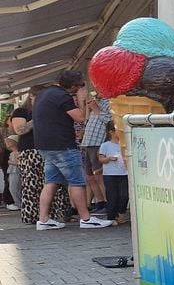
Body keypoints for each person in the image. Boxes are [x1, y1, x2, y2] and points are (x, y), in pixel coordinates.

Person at [32, 70, 113, 230]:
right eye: (81, 85)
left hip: (45, 145)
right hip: (63, 145)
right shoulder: (63, 96)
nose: (81, 88)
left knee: (51, 181)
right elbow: (80, 118)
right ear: (73, 86)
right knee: (77, 181)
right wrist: (82, 101)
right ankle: (86, 218)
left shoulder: (44, 93)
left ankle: (43, 220)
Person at [9, 90, 72, 225]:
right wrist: (38, 117)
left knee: (54, 182)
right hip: (30, 151)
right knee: (32, 184)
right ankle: (34, 215)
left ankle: (57, 214)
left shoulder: (50, 110)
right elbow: (20, 130)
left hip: (49, 148)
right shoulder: (22, 111)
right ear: (31, 96)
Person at [79, 92, 111, 215]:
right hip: (88, 141)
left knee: (98, 174)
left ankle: (107, 202)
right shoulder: (96, 102)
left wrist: (96, 109)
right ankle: (100, 201)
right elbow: (88, 120)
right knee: (89, 176)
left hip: (99, 141)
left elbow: (110, 121)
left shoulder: (109, 102)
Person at [97, 123, 129, 224]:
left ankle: (121, 213)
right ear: (111, 132)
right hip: (110, 174)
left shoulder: (125, 144)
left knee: (124, 195)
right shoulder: (105, 145)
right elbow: (101, 159)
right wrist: (108, 158)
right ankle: (111, 217)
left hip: (124, 173)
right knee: (112, 196)